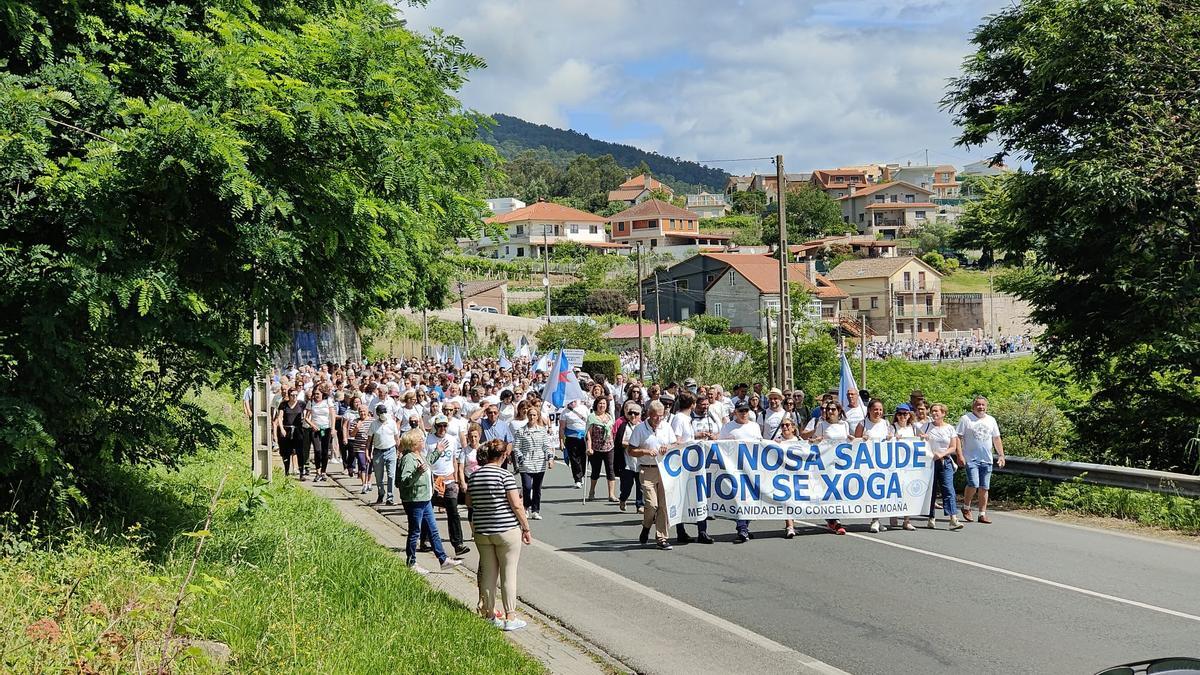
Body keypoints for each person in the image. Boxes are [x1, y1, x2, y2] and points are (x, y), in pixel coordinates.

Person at [468, 438, 533, 631]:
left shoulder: (474, 475)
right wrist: (526, 527)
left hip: (482, 529)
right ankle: (510, 616)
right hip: (506, 529)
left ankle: (489, 613)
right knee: (508, 573)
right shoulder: (505, 475)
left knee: (488, 572)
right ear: (504, 455)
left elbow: (470, 502)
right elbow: (516, 504)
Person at [397, 429, 463, 575]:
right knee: (415, 531)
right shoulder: (408, 459)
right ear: (414, 443)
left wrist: (438, 452)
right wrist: (417, 473)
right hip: (415, 500)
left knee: (433, 530)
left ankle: (443, 559)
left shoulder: (418, 455)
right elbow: (403, 481)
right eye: (421, 440)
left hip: (425, 499)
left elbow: (427, 463)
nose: (423, 442)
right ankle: (411, 562)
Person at [626, 400, 678, 550]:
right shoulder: (640, 429)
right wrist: (645, 451)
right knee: (651, 504)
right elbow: (631, 450)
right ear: (649, 415)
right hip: (647, 469)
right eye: (655, 416)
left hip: (664, 469)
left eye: (661, 416)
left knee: (663, 505)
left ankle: (662, 537)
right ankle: (646, 526)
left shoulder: (666, 427)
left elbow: (675, 444)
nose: (658, 419)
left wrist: (668, 447)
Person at [669, 392, 713, 544]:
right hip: (684, 463)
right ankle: (680, 531)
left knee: (699, 495)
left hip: (694, 463)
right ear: (692, 404)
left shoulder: (687, 419)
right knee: (683, 497)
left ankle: (702, 531)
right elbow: (676, 440)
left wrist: (696, 436)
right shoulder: (679, 418)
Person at [956, 396, 1005, 524]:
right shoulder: (966, 419)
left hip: (987, 459)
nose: (981, 407)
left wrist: (1001, 455)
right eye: (978, 405)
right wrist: (959, 455)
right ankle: (966, 507)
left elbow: (996, 438)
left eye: (983, 405)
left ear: (986, 406)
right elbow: (958, 437)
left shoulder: (991, 420)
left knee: (984, 487)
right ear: (973, 406)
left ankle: (982, 514)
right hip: (971, 458)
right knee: (974, 483)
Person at [426, 415, 469, 557]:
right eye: (440, 426)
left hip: (449, 479)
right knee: (428, 510)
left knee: (453, 510)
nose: (442, 428)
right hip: (433, 479)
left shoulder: (452, 439)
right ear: (435, 427)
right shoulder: (429, 440)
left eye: (445, 426)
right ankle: (425, 540)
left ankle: (458, 544)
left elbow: (454, 460)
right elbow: (426, 460)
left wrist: (456, 480)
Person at [720, 402, 763, 544]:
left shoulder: (754, 426)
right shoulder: (728, 427)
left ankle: (745, 526)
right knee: (740, 498)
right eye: (741, 411)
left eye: (746, 410)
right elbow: (720, 446)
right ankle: (742, 527)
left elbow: (760, 444)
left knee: (752, 499)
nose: (744, 413)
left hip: (752, 468)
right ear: (735, 412)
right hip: (735, 468)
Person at [808, 401, 851, 535]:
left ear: (839, 411)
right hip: (826, 463)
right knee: (830, 490)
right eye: (828, 409)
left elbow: (848, 441)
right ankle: (835, 520)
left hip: (841, 463)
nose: (830, 412)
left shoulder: (845, 425)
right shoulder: (822, 424)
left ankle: (833, 517)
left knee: (839, 490)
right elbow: (814, 441)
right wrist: (815, 440)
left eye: (833, 409)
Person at [854, 398, 891, 533]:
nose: (878, 412)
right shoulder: (862, 424)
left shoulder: (886, 423)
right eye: (875, 409)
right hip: (867, 464)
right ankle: (874, 519)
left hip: (882, 463)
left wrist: (890, 438)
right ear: (869, 410)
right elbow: (854, 443)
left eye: (880, 409)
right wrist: (861, 440)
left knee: (880, 492)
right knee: (871, 492)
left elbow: (891, 440)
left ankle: (877, 519)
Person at [926, 403, 965, 530]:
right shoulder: (925, 427)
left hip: (945, 461)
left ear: (943, 413)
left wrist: (942, 454)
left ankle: (953, 518)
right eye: (932, 411)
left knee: (948, 489)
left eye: (937, 411)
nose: (934, 413)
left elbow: (953, 447)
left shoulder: (949, 428)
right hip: (929, 462)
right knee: (930, 490)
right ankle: (931, 516)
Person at [513, 410, 553, 520]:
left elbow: (546, 446)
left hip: (539, 463)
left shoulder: (542, 431)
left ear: (537, 416)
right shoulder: (521, 431)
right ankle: (526, 506)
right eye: (530, 415)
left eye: (534, 415)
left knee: (537, 488)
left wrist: (550, 458)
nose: (532, 417)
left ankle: (535, 510)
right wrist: (520, 458)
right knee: (527, 486)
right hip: (526, 463)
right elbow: (516, 447)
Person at [888, 404, 918, 531]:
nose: (902, 417)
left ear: (909, 415)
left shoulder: (913, 428)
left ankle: (907, 520)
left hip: (909, 464)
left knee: (908, 491)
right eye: (899, 414)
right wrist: (893, 438)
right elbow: (886, 440)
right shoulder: (892, 427)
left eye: (905, 414)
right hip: (895, 464)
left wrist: (923, 438)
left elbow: (923, 440)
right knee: (895, 491)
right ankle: (893, 513)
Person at [614, 401, 644, 513]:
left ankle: (639, 505)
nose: (633, 416)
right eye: (631, 413)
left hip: (640, 461)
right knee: (627, 485)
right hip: (627, 461)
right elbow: (620, 442)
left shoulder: (643, 427)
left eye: (636, 414)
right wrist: (632, 444)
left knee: (640, 485)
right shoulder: (623, 426)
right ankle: (623, 498)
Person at [585, 397, 616, 502]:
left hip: (609, 447)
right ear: (596, 404)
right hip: (596, 448)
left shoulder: (609, 417)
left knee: (610, 471)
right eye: (600, 403)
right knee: (595, 472)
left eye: (604, 403)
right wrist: (589, 447)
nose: (602, 405)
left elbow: (613, 431)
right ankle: (592, 491)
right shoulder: (592, 417)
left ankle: (611, 494)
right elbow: (588, 434)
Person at [368, 402, 399, 505]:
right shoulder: (374, 424)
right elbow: (369, 440)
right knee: (378, 476)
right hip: (378, 452)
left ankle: (390, 497)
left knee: (391, 475)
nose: (383, 414)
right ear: (377, 414)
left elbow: (396, 438)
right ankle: (381, 493)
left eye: (384, 412)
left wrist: (399, 451)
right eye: (381, 412)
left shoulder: (392, 423)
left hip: (391, 450)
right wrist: (367, 453)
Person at [777, 417, 803, 538]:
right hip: (783, 475)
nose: (785, 427)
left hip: (798, 474)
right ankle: (789, 526)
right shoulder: (777, 441)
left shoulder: (799, 440)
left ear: (793, 427)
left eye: (787, 425)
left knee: (796, 500)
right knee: (787, 499)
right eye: (782, 426)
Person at [305, 388, 338, 483]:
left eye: (318, 394)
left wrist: (332, 428)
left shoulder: (328, 401)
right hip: (316, 429)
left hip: (326, 428)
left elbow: (332, 415)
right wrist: (313, 425)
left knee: (325, 451)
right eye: (315, 394)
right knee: (317, 450)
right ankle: (317, 471)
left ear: (322, 394)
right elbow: (306, 418)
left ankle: (323, 471)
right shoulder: (311, 402)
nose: (316, 396)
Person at [274, 388, 307, 478]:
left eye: (296, 395)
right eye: (292, 395)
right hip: (287, 430)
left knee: (299, 452)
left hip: (298, 430)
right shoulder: (284, 405)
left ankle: (301, 472)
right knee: (286, 451)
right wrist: (281, 428)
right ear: (289, 395)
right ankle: (286, 471)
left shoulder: (301, 404)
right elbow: (280, 417)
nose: (294, 397)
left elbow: (306, 413)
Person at [559, 399, 589, 488]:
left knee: (584, 458)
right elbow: (562, 428)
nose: (572, 402)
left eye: (574, 401)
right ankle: (577, 479)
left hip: (584, 437)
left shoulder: (583, 408)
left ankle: (582, 474)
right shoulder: (564, 412)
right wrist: (561, 441)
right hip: (571, 438)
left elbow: (589, 422)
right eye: (570, 401)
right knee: (574, 459)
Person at [348, 398, 374, 494]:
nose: (362, 413)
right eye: (360, 411)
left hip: (370, 447)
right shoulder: (355, 421)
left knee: (369, 465)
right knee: (362, 464)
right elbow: (351, 434)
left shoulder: (372, 421)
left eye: (364, 411)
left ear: (367, 412)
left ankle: (368, 481)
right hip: (359, 447)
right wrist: (357, 428)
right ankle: (364, 484)